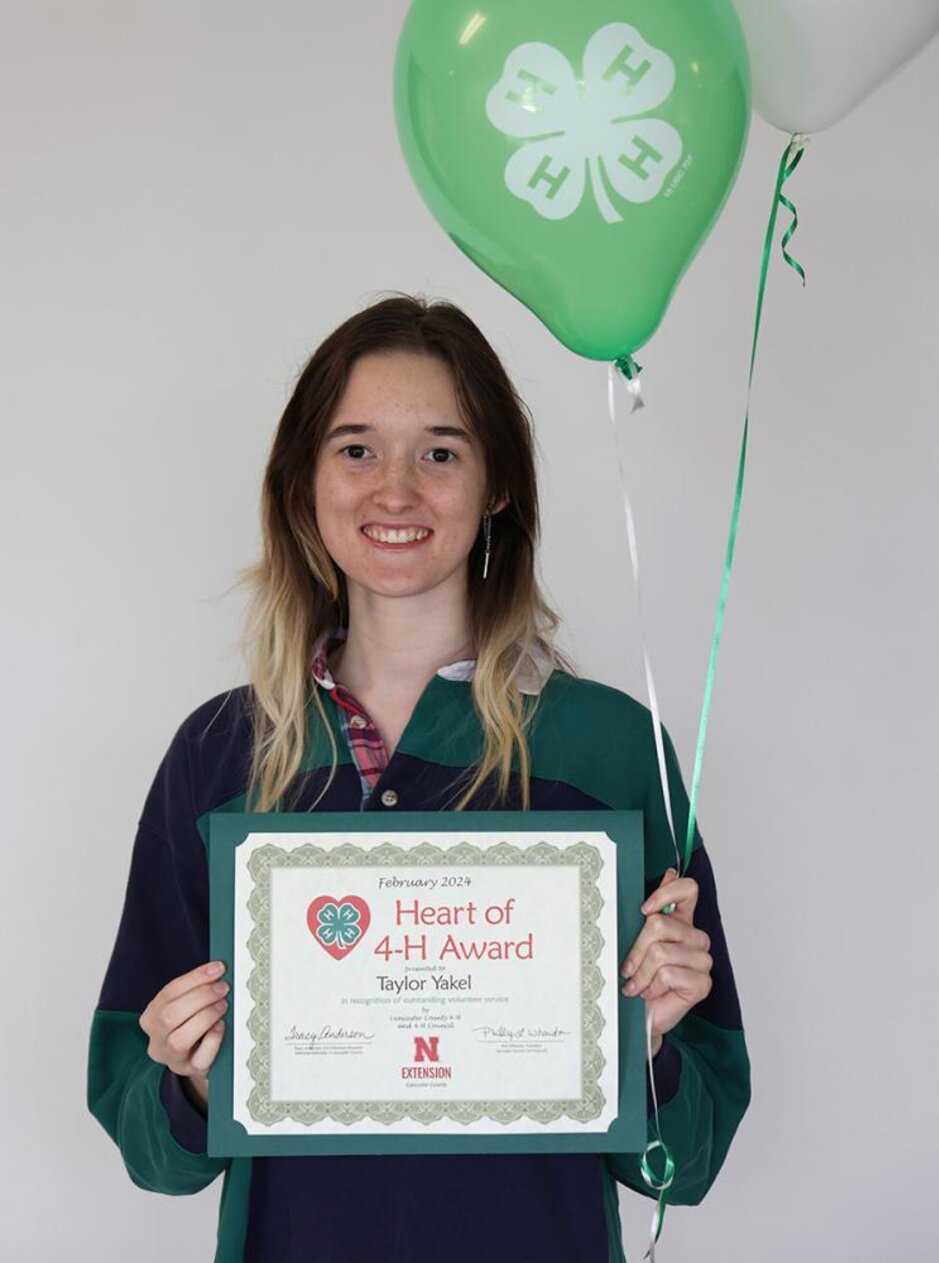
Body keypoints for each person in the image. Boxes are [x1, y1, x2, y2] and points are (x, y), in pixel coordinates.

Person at [88, 295, 750, 1263]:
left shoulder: (607, 750)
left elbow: (687, 1165)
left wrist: (643, 1043)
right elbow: (149, 1145)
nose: (394, 490)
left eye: (440, 452)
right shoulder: (220, 754)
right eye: (355, 450)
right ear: (301, 482)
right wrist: (187, 1081)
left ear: (496, 488)